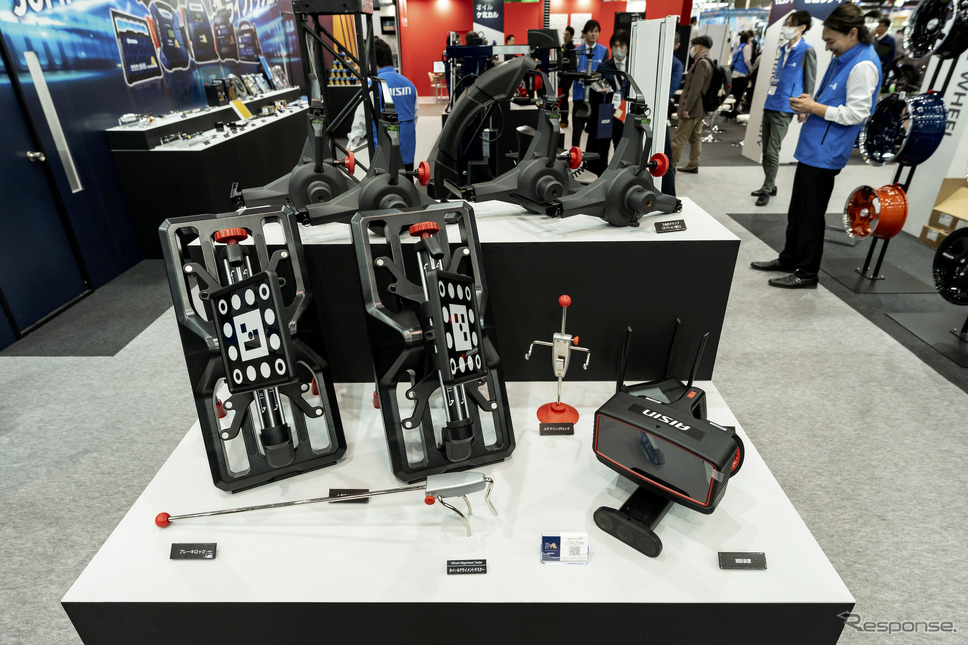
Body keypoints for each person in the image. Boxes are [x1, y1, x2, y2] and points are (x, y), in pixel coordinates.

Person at [751, 3, 881, 289]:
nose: (828, 47)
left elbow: (857, 113)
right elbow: (835, 99)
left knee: (810, 215)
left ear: (852, 34)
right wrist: (812, 102)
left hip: (827, 151)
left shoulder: (863, 65)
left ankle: (807, 272)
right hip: (814, 147)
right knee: (798, 211)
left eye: (831, 41)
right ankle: (789, 258)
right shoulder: (845, 57)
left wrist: (815, 108)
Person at [752, 10, 816, 207]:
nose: (786, 27)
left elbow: (810, 81)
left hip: (785, 107)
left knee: (772, 150)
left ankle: (767, 188)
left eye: (790, 23)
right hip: (770, 103)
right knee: (766, 150)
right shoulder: (783, 49)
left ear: (802, 27)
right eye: (786, 23)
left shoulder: (807, 50)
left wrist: (804, 108)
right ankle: (769, 185)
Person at [347, 38, 419, 170]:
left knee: (383, 183)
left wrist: (351, 145)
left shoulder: (373, 86)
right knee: (407, 181)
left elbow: (361, 119)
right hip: (407, 151)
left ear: (371, 61)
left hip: (383, 153)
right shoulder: (410, 85)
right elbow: (414, 118)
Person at [586, 30, 629, 176]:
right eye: (615, 46)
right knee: (602, 149)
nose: (618, 49)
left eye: (621, 45)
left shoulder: (634, 65)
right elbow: (595, 89)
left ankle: (620, 177)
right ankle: (602, 178)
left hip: (624, 115)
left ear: (628, 47)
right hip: (607, 113)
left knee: (622, 149)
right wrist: (600, 91)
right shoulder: (603, 67)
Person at [671, 35, 714, 174]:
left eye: (693, 46)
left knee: (679, 138)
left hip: (693, 108)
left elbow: (695, 88)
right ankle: (693, 164)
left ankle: (670, 166)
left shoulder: (702, 63)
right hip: (700, 108)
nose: (692, 49)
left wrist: (687, 108)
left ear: (700, 46)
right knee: (695, 137)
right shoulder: (709, 61)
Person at [571, 20, 608, 148]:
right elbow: (571, 72)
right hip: (579, 96)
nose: (593, 34)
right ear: (585, 33)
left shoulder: (604, 51)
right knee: (577, 130)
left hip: (596, 98)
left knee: (593, 132)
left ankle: (590, 159)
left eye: (596, 31)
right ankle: (574, 155)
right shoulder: (576, 51)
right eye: (591, 31)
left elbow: (605, 74)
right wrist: (581, 76)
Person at [661, 30, 684, 197]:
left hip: (660, 114)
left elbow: (669, 91)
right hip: (646, 112)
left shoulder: (676, 65)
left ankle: (669, 197)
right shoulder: (656, 60)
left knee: (665, 158)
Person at [725, 32, 753, 119]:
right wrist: (750, 69)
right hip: (741, 73)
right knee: (738, 94)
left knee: (732, 93)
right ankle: (732, 113)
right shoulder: (747, 47)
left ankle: (728, 112)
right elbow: (747, 60)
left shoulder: (738, 47)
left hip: (734, 73)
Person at [559, 26, 576, 127]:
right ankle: (562, 118)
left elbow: (571, 64)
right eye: (564, 34)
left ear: (571, 36)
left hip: (567, 77)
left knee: (564, 97)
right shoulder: (563, 46)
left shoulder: (572, 48)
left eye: (567, 35)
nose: (564, 36)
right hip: (561, 76)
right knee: (561, 97)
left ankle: (565, 120)